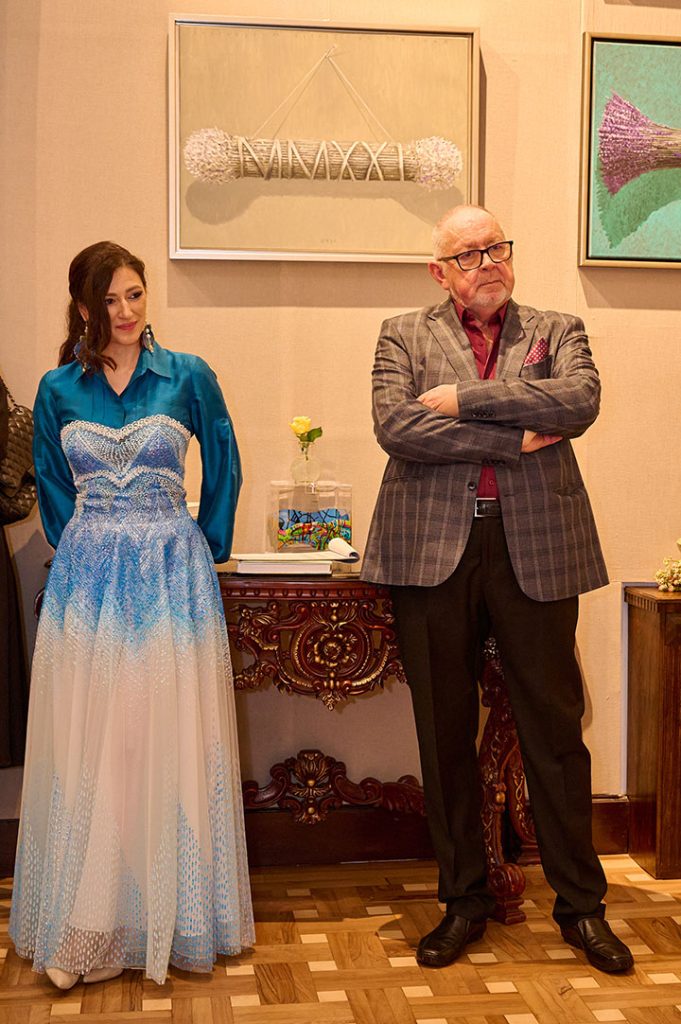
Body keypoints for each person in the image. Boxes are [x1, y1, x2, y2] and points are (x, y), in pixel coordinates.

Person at [361, 205, 633, 974]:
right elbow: (396, 427)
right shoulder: (399, 334)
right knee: (443, 733)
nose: (488, 262)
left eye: (497, 248)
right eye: (468, 253)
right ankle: (463, 901)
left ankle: (581, 908)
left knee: (554, 732)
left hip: (537, 547)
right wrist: (513, 435)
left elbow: (577, 403)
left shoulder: (557, 328)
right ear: (438, 272)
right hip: (429, 551)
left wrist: (463, 399)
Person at [9, 241, 254, 988]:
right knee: (97, 741)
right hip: (89, 583)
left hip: (170, 578)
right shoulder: (58, 387)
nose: (125, 312)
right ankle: (90, 919)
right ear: (85, 307)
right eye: (109, 300)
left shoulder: (187, 374)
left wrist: (204, 542)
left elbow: (224, 459)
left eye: (135, 295)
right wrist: (84, 540)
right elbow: (51, 479)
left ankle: (164, 918)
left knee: (159, 736)